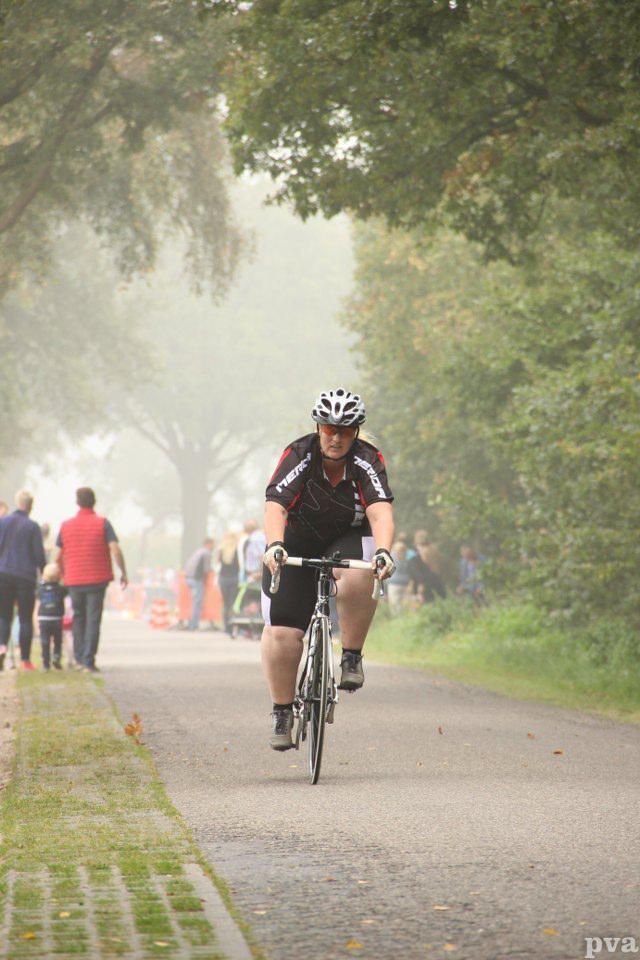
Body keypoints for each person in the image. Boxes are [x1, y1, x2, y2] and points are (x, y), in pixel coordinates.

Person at [261, 388, 396, 750]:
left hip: (347, 537)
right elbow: (276, 504)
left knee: (358, 573)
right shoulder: (300, 454)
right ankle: (283, 711)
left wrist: (384, 550)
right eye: (328, 429)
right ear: (318, 427)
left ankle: (351, 655)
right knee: (282, 635)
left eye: (345, 430)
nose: (336, 437)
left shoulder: (367, 460)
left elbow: (380, 509)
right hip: (298, 538)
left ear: (356, 432)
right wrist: (275, 544)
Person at [55, 487, 128, 672]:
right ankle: (88, 660)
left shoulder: (65, 526)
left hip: (74, 580)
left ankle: (80, 659)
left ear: (77, 502)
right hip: (97, 579)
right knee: (93, 619)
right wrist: (123, 572)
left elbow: (57, 556)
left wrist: (64, 574)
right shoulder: (103, 523)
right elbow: (115, 549)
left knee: (78, 617)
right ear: (93, 502)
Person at [0, 490, 46, 670]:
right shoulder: (32, 526)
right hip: (25, 577)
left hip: (3, 574)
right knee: (25, 617)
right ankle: (26, 660)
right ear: (31, 506)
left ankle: (1, 648)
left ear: (17, 502)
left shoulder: (2, 523)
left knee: (3, 615)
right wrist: (45, 574)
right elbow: (38, 555)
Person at [37, 563, 67, 671]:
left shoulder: (40, 589)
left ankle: (45, 664)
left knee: (45, 641)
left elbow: (37, 595)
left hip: (43, 618)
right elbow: (68, 591)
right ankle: (56, 657)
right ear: (59, 576)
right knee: (57, 640)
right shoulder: (61, 589)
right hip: (57, 618)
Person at [407, 529, 447, 604]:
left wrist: (420, 585)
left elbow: (421, 570)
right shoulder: (434, 549)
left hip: (427, 582)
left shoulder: (420, 552)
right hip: (438, 579)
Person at [184, 537, 214, 631]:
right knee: (197, 602)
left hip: (188, 578)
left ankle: (191, 622)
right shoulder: (206, 553)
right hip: (197, 579)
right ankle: (193, 624)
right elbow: (207, 569)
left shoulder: (198, 551)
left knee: (193, 601)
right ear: (208, 544)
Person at [216, 531, 240, 634]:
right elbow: (239, 564)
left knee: (225, 604)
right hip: (234, 577)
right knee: (232, 603)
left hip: (223, 578)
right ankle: (231, 626)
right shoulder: (236, 549)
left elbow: (217, 563)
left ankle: (225, 626)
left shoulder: (221, 549)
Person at [387, 540, 410, 612]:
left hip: (393, 584)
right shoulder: (407, 558)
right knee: (404, 606)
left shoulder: (391, 556)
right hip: (405, 583)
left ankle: (396, 621)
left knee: (394, 606)